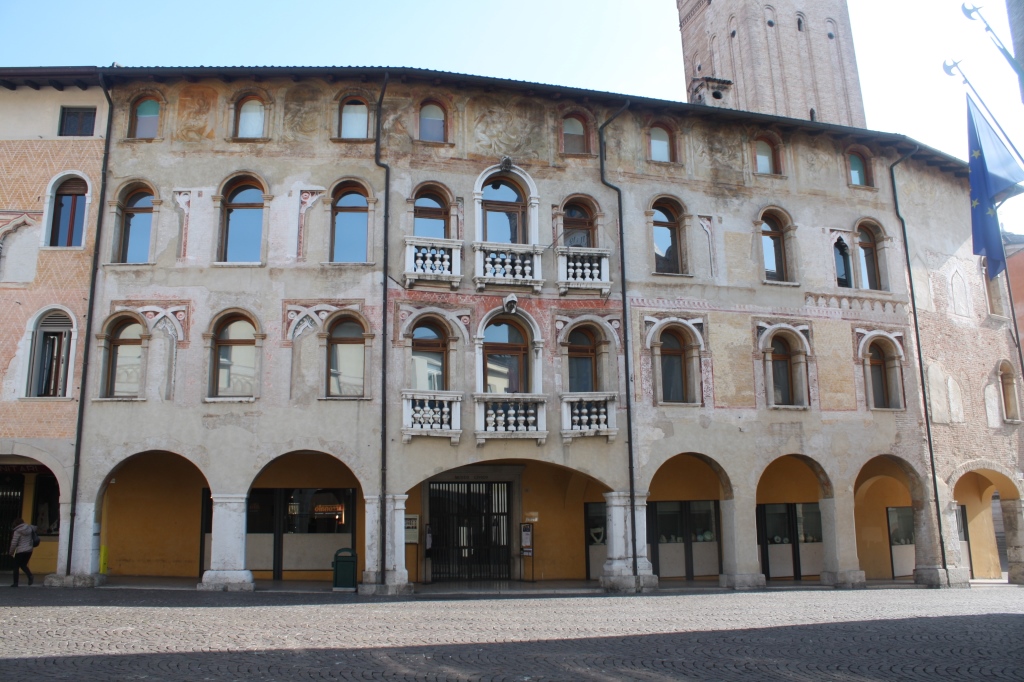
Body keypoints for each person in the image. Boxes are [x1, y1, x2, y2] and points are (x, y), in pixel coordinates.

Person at [8, 518, 36, 587]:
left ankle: (15, 583)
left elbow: (14, 543)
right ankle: (30, 576)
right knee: (23, 565)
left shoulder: (17, 531)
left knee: (16, 566)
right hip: (29, 550)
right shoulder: (30, 528)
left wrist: (11, 552)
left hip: (20, 550)